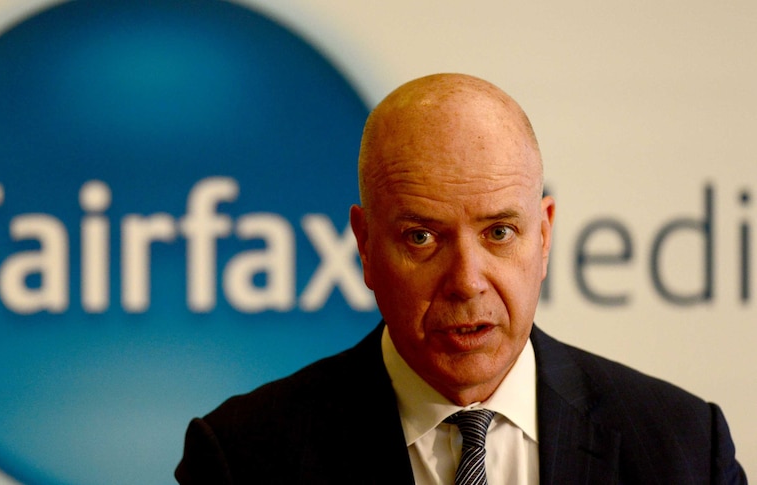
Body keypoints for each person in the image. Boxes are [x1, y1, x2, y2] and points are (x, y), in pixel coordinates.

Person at [175, 73, 747, 484]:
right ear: (366, 247)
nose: (467, 282)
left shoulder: (685, 446)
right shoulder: (242, 458)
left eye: (499, 232)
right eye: (422, 237)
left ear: (543, 237)